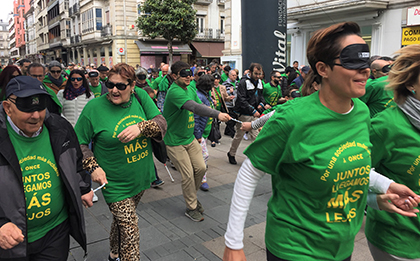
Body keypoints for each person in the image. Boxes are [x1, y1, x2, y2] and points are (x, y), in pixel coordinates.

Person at [223, 21, 420, 261]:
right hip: (296, 249)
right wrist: (233, 243)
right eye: (352, 62)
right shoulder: (292, 118)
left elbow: (349, 162)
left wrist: (384, 188)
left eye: (365, 63)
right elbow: (250, 173)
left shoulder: (361, 112)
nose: (365, 71)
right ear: (323, 69)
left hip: (341, 248)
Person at [75, 63, 166, 261]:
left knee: (121, 222)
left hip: (141, 177)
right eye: (110, 84)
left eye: (121, 86)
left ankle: (113, 253)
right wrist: (93, 167)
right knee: (131, 229)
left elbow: (161, 124)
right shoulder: (94, 107)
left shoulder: (140, 97)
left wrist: (141, 127)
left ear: (132, 86)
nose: (114, 90)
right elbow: (78, 142)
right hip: (114, 183)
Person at [0, 76, 93, 260]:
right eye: (27, 107)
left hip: (55, 234)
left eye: (40, 107)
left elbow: (76, 162)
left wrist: (83, 188)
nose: (36, 116)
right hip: (10, 242)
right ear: (7, 108)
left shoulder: (60, 128)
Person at [366, 45, 420, 261]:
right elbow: (353, 171)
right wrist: (376, 197)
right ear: (410, 84)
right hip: (398, 240)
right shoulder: (386, 125)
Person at [163, 61, 230, 222]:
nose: (188, 77)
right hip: (174, 141)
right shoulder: (174, 92)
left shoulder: (189, 88)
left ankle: (191, 196)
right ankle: (191, 207)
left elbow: (200, 105)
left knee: (201, 168)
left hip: (189, 138)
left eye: (190, 73)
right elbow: (193, 107)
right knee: (187, 175)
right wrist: (217, 114)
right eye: (184, 74)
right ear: (174, 76)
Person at [227, 63, 268, 165]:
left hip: (255, 113)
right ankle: (231, 153)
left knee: (256, 136)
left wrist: (261, 104)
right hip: (244, 113)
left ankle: (255, 157)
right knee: (239, 135)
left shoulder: (260, 82)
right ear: (250, 72)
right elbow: (241, 99)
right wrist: (253, 110)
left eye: (260, 74)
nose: (258, 76)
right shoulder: (243, 82)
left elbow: (261, 96)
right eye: (256, 74)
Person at [193, 74, 214, 191]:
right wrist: (198, 134)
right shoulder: (200, 97)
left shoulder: (205, 95)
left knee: (200, 155)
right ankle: (202, 179)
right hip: (200, 132)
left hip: (205, 130)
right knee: (204, 156)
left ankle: (198, 175)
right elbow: (196, 117)